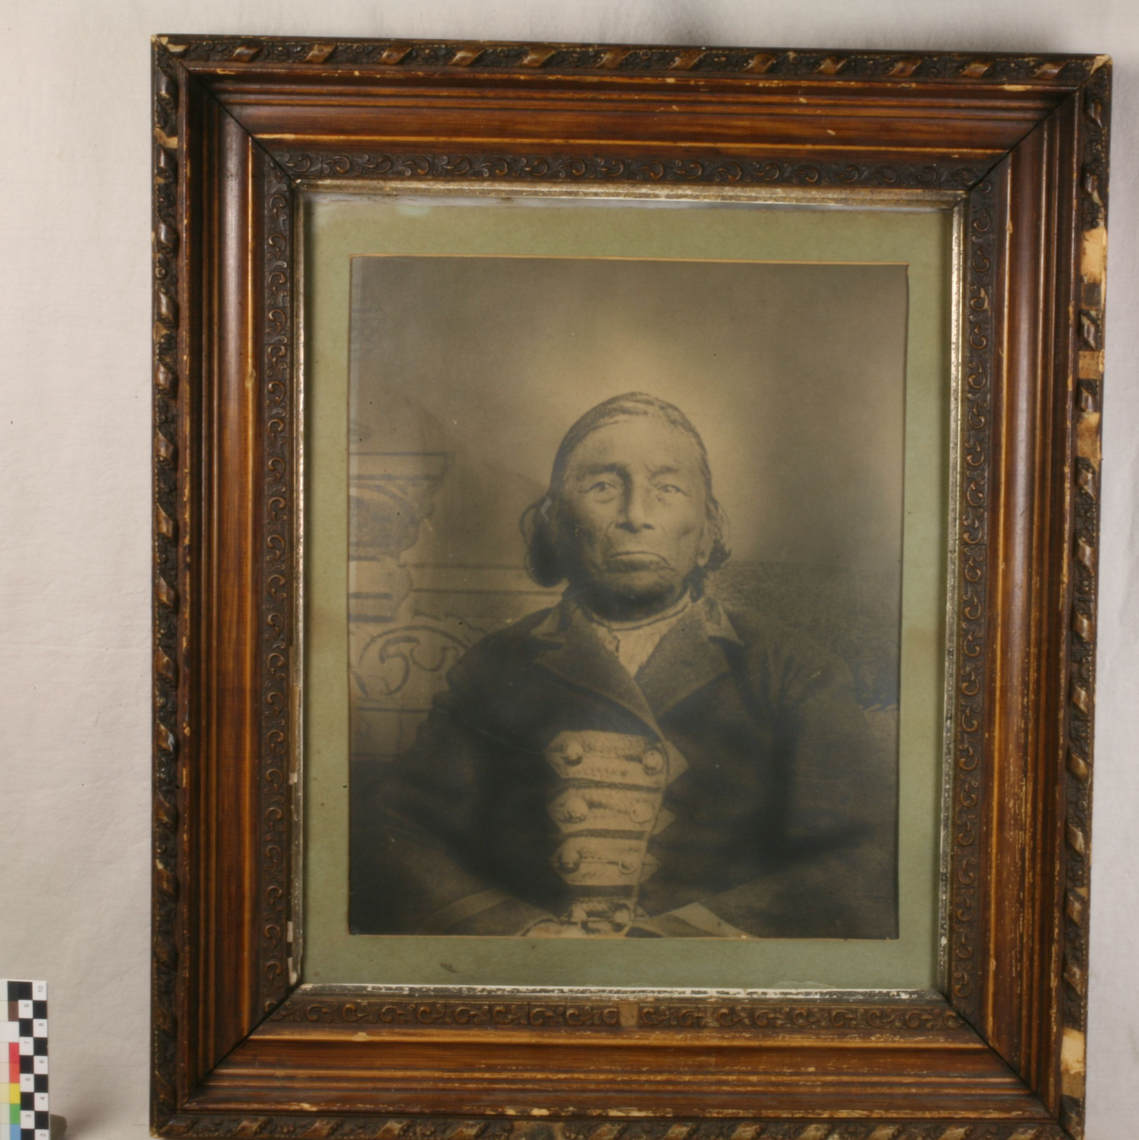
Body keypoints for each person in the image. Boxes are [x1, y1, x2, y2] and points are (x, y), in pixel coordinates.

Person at [349, 393, 897, 938]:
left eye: (668, 488)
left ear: (707, 529)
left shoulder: (793, 671)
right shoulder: (494, 667)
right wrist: (521, 932)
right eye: (603, 487)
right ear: (556, 524)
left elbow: (857, 855)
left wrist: (679, 939)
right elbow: (400, 832)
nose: (637, 515)